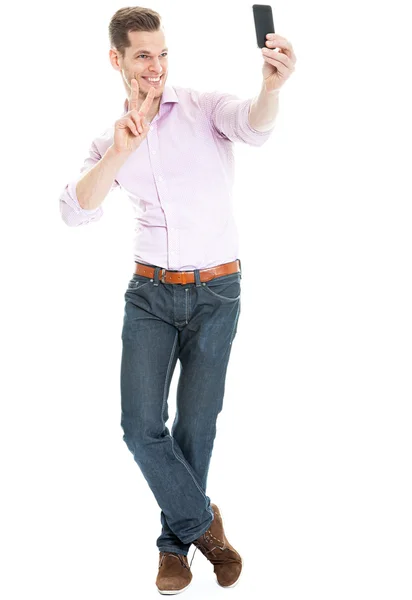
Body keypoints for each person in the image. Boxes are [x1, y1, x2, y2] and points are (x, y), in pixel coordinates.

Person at [59, 5, 296, 595]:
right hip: (150, 295)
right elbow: (73, 209)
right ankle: (202, 525)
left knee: (197, 425)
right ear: (116, 59)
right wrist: (118, 151)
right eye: (142, 56)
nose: (155, 68)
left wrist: (269, 87)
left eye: (162, 54)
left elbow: (255, 125)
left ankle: (172, 547)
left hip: (218, 291)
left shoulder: (204, 107)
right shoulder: (108, 139)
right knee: (140, 428)